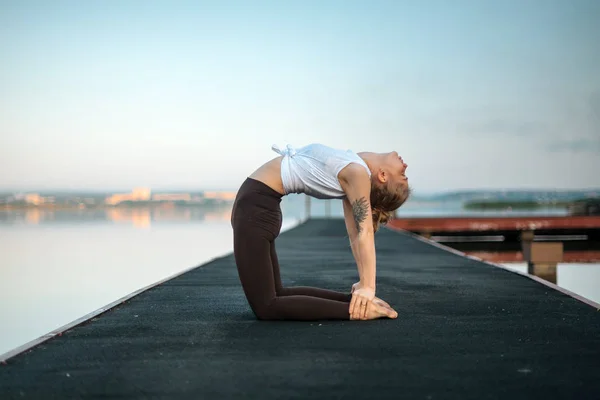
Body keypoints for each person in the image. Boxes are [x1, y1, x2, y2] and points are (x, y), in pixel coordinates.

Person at [230, 143, 411, 321]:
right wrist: (363, 287)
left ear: (383, 175)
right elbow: (355, 235)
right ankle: (354, 304)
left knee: (266, 306)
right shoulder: (355, 168)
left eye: (402, 174)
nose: (405, 166)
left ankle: (357, 310)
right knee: (277, 294)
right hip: (259, 207)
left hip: (255, 208)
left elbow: (363, 233)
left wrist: (368, 288)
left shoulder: (357, 173)